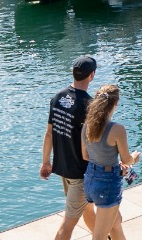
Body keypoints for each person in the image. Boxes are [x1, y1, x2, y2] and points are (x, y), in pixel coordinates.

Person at [41, 56, 98, 240]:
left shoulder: (57, 97)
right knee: (68, 224)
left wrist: (45, 162)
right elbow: (94, 143)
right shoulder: (90, 105)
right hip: (80, 173)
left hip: (64, 169)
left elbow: (49, 133)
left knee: (87, 209)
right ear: (92, 75)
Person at [81, 84, 142, 240]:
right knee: (99, 236)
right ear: (116, 102)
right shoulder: (117, 129)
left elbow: (85, 155)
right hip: (107, 183)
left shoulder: (87, 126)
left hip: (90, 180)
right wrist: (134, 158)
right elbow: (127, 159)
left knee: (116, 222)